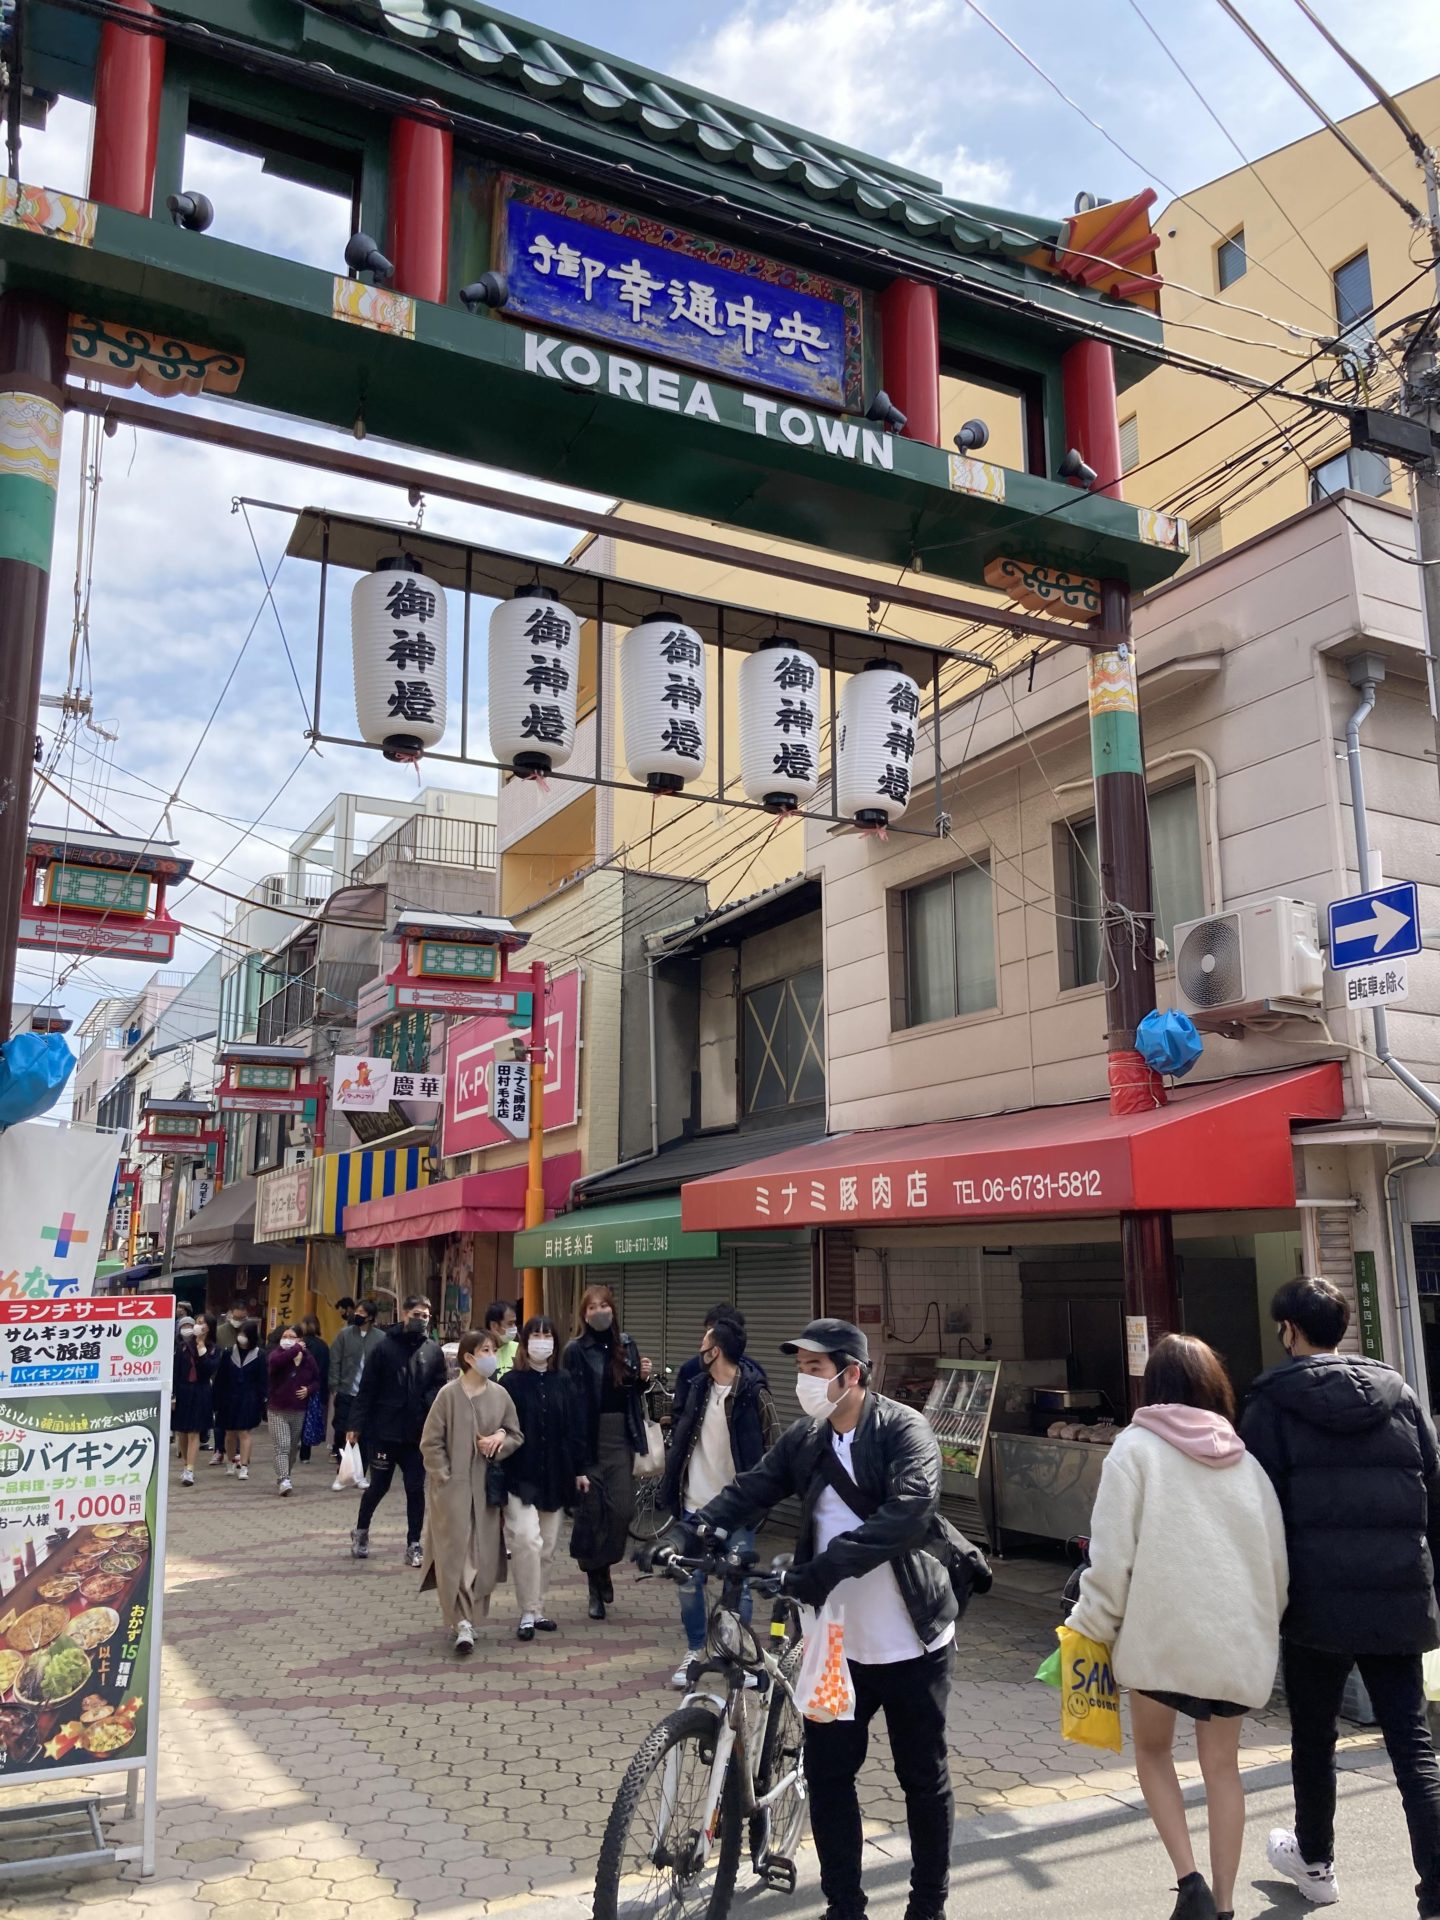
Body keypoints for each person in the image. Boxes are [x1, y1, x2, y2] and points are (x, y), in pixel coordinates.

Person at [694, 1318, 958, 1920]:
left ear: (852, 1373)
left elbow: (909, 1512)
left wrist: (825, 1569)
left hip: (913, 1642)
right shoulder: (807, 1438)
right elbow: (753, 1487)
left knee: (922, 1777)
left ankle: (927, 1905)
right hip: (836, 1648)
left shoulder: (903, 1429)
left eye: (815, 1368)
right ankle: (844, 1906)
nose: (804, 1379)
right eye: (801, 1368)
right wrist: (693, 1527)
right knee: (831, 1776)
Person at [1067, 1335, 1288, 1920]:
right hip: (1234, 1640)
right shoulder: (1247, 1463)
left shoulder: (1134, 1449)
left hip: (1159, 1637)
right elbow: (1277, 1567)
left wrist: (1091, 1625)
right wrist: (1264, 1627)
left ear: (1154, 1387)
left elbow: (1111, 1558)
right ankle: (1226, 1906)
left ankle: (1191, 1885)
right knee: (1223, 1768)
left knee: (1153, 1751)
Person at [1240, 1277, 1440, 1917]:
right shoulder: (1399, 1394)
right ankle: (1438, 1890)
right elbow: (1434, 1490)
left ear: (1288, 1331)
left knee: (1313, 1737)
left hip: (1313, 1600)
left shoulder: (1271, 1403)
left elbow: (1256, 1511)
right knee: (1411, 1743)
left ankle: (1316, 1864)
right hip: (1396, 1594)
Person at [661, 1310, 778, 1686]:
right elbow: (681, 1439)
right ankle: (696, 1650)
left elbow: (774, 1450)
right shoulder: (697, 1387)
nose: (699, 1348)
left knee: (737, 1588)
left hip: (737, 1509)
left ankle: (740, 1656)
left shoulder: (754, 1394)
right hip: (695, 1504)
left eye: (705, 1343)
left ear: (717, 1351)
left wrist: (760, 1501)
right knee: (688, 1582)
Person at [418, 1329, 523, 1655]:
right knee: (456, 1557)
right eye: (485, 1350)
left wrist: (500, 1438)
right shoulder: (448, 1395)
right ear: (468, 1357)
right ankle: (461, 1622)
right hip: (452, 1493)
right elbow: (430, 1442)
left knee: (481, 1556)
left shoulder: (500, 1395)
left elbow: (516, 1434)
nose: (491, 1356)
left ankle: (470, 1618)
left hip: (486, 1492)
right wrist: (444, 1475)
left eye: (493, 1350)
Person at [563, 1284, 652, 1620]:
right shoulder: (575, 1350)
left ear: (613, 1310)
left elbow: (630, 1391)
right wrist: (574, 1455)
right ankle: (594, 1581)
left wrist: (642, 1379)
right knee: (591, 1514)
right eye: (592, 1307)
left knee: (622, 1511)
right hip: (588, 1439)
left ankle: (604, 1565)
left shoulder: (626, 1345)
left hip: (620, 1438)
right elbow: (571, 1400)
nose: (599, 1312)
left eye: (604, 1305)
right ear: (583, 1315)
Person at [504, 1315, 589, 1640]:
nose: (542, 1341)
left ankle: (538, 1609)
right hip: (520, 1474)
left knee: (548, 1547)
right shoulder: (511, 1382)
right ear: (525, 1343)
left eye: (547, 1335)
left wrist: (580, 1470)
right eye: (536, 1336)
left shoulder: (564, 1380)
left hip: (556, 1473)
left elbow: (576, 1428)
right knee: (526, 1539)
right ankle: (527, 1611)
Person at [348, 1293, 448, 1565]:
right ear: (404, 1314)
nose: (421, 1320)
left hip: (417, 1434)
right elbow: (367, 1389)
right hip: (384, 1431)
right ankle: (361, 1530)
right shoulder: (384, 1348)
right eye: (416, 1315)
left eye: (425, 1316)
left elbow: (440, 1385)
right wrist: (355, 1424)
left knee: (415, 1488)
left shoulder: (433, 1351)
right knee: (378, 1486)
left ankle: (414, 1543)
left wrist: (428, 1403)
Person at [266, 1324, 320, 1496]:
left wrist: (309, 1390)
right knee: (282, 1445)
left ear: (300, 1339)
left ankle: (286, 1475)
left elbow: (317, 1380)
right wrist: (296, 1348)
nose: (287, 1340)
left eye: (291, 1337)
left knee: (293, 1447)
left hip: (298, 1410)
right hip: (277, 1409)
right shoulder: (276, 1354)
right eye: (285, 1336)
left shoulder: (308, 1358)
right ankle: (283, 1479)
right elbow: (276, 1363)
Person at [670, 1304, 745, 1428]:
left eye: (711, 1332)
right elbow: (679, 1415)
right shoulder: (690, 1370)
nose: (705, 1338)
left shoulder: (753, 1378)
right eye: (707, 1331)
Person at [213, 1318, 266, 1480]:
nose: (242, 1337)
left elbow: (263, 1380)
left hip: (249, 1399)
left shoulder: (259, 1355)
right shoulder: (229, 1353)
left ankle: (244, 1466)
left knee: (244, 1432)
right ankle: (230, 1462)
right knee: (229, 1433)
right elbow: (220, 1377)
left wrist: (262, 1401)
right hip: (229, 1397)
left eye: (245, 1334)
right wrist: (216, 1399)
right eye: (240, 1333)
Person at [330, 1299, 379, 1467]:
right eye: (357, 1311)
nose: (357, 1315)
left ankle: (360, 1470)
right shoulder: (344, 1334)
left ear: (370, 1317)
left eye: (362, 1313)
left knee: (364, 1434)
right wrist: (335, 1386)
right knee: (341, 1430)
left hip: (368, 1396)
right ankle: (342, 1466)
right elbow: (335, 1360)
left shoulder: (380, 1338)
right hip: (346, 1391)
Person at [172, 1314, 218, 1487]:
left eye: (202, 1323)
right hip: (183, 1391)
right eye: (197, 1323)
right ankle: (186, 1464)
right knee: (182, 1432)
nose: (198, 1326)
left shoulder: (214, 1349)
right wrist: (173, 1395)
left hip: (201, 1391)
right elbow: (176, 1371)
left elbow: (208, 1369)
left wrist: (201, 1348)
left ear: (209, 1327)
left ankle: (190, 1469)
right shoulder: (183, 1347)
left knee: (194, 1431)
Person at [297, 1313, 331, 1464]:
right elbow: (325, 1370)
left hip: (298, 1386)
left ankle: (293, 1447)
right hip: (316, 1387)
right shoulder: (323, 1345)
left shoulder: (300, 1344)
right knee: (309, 1420)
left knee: (296, 1418)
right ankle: (305, 1454)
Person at [484, 1300, 520, 1377]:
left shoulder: (520, 1349)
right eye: (510, 1323)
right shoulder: (477, 1352)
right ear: (494, 1326)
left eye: (514, 1323)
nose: (514, 1327)